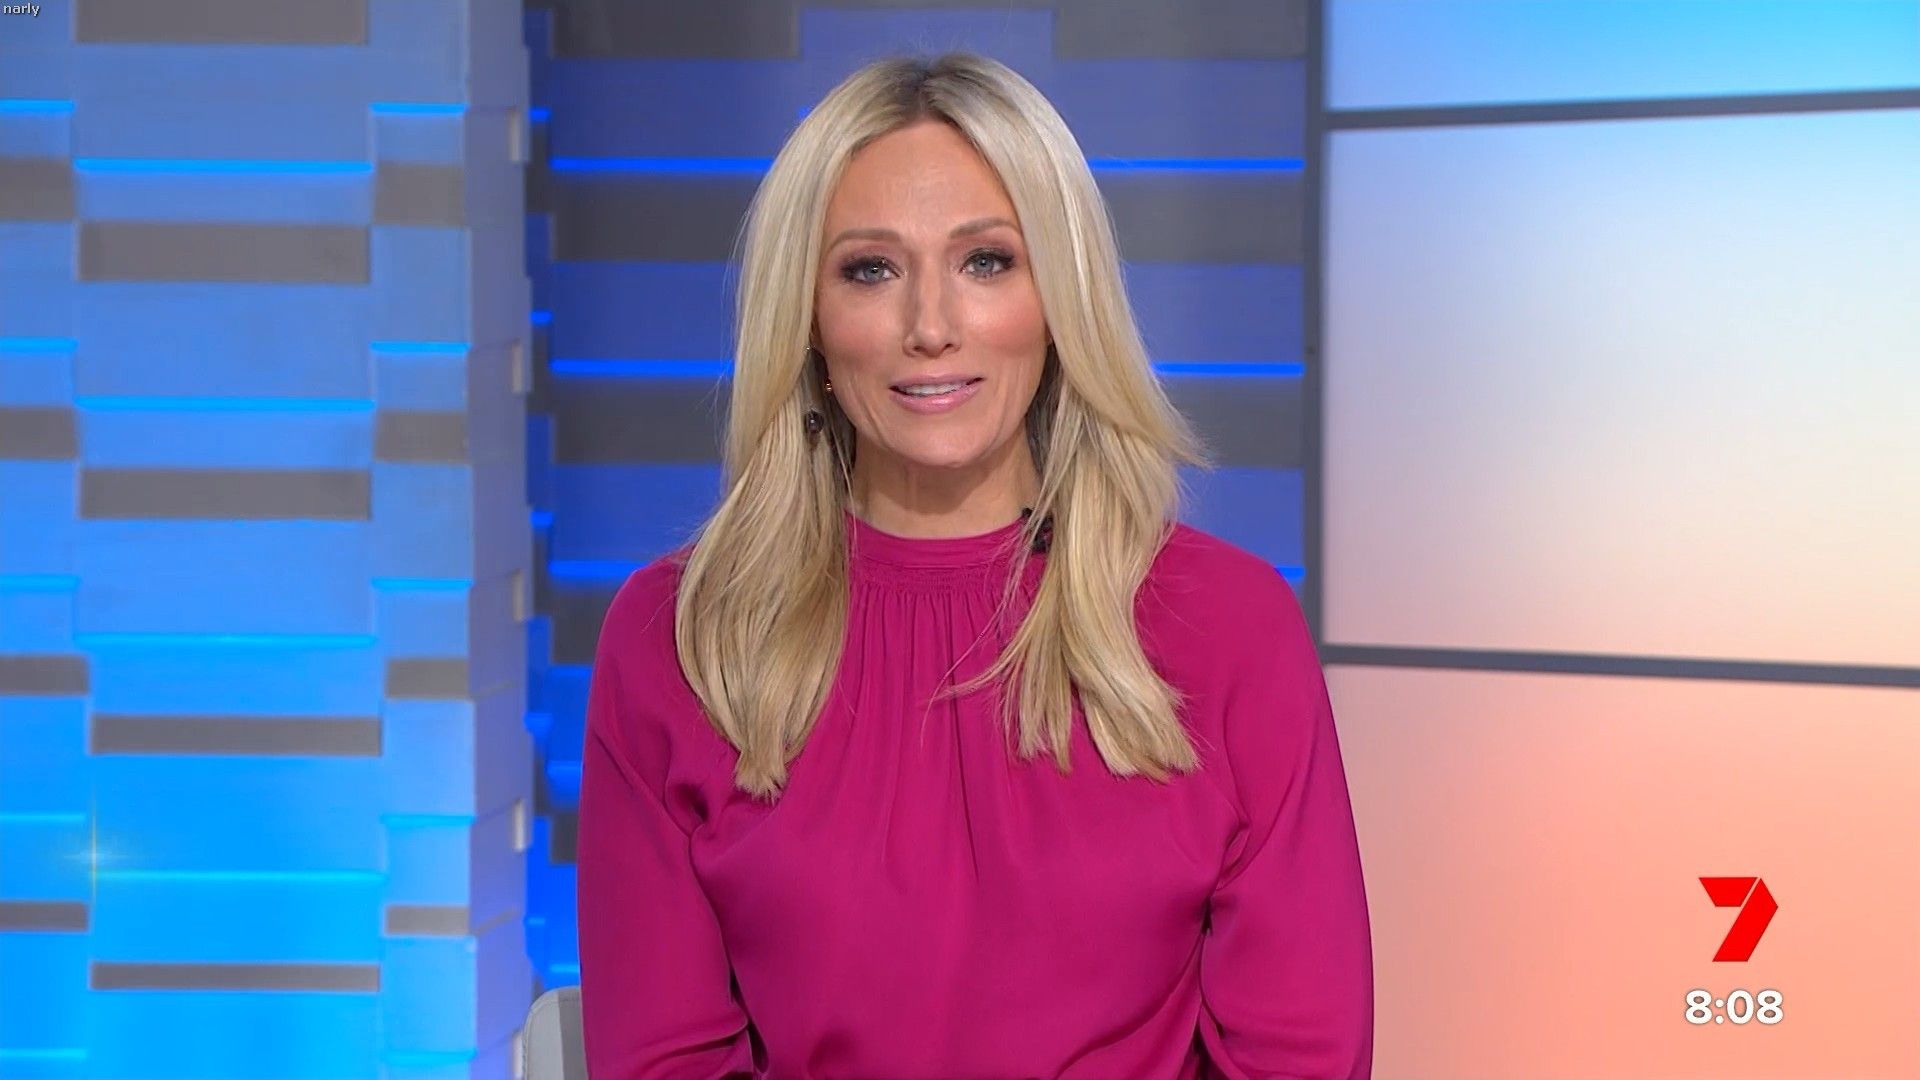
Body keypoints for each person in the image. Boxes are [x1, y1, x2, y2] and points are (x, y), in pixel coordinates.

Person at [575, 50, 1373, 1080]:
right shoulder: (682, 638)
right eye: (871, 270)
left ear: (1060, 299)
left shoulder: (1226, 625)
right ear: (808, 320)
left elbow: (1301, 1055)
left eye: (986, 262)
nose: (932, 328)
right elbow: (663, 1058)